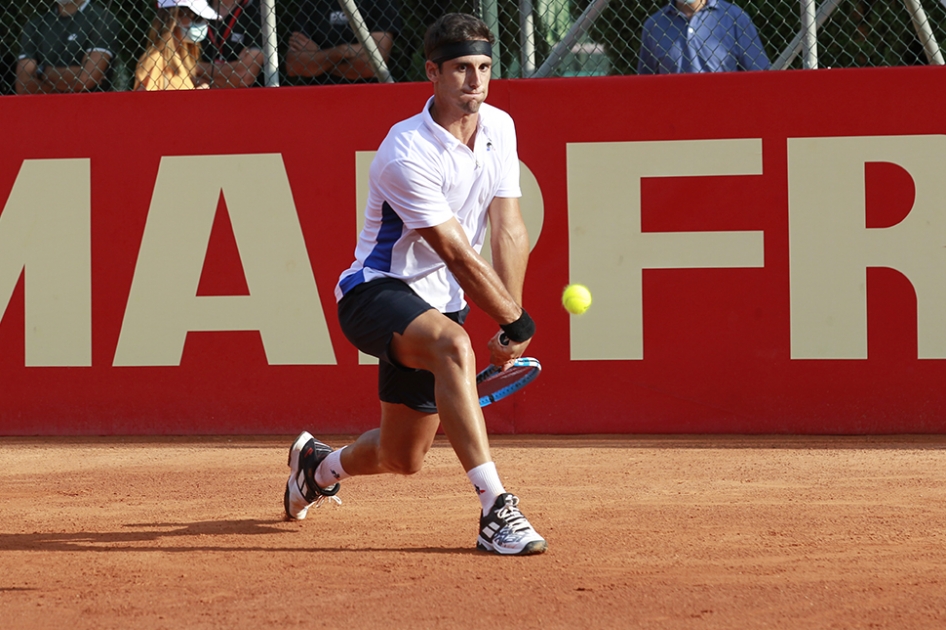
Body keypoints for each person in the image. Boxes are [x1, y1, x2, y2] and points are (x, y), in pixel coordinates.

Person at [284, 13, 547, 556]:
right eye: (460, 69)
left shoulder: (501, 127)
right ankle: (496, 510)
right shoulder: (406, 151)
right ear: (432, 72)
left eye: (483, 67)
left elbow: (510, 227)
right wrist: (512, 321)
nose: (475, 80)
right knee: (453, 346)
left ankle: (318, 467)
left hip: (440, 303)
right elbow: (453, 250)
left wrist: (510, 322)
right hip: (374, 291)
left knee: (402, 456)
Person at [637, 0, 770, 74]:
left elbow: (760, 77)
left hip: (726, 115)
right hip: (675, 118)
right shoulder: (654, 26)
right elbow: (646, 84)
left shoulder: (736, 19)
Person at [285, 0, 401, 84]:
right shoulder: (311, 3)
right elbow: (294, 65)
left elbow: (374, 64)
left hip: (367, 94)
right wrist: (342, 52)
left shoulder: (380, 3)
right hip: (321, 97)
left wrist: (318, 59)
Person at [15, 0, 119, 94]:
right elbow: (23, 85)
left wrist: (41, 71)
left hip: (90, 107)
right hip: (46, 108)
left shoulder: (102, 19)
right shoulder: (36, 25)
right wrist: (70, 84)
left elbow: (86, 79)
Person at [134, 0, 220, 91]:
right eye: (197, 17)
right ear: (176, 17)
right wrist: (191, 98)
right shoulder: (155, 59)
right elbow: (144, 103)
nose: (204, 23)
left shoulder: (181, 58)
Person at [197, 0, 265, 88]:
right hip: (199, 97)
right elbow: (178, 72)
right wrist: (230, 72)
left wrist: (193, 67)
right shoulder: (195, 6)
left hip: (246, 98)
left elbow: (244, 76)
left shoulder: (259, 10)